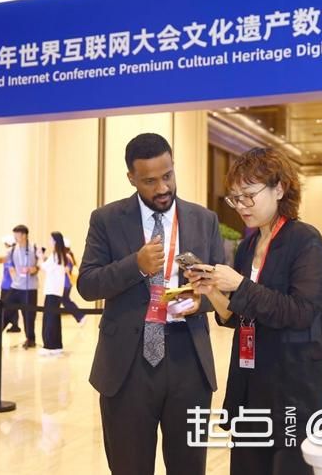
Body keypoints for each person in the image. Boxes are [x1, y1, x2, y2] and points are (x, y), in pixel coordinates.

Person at [78, 133, 225, 475]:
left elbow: (222, 283)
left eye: (168, 175)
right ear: (131, 178)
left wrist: (200, 300)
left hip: (189, 362)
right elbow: (87, 284)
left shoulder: (204, 220)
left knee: (189, 467)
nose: (162, 188)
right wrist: (136, 265)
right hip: (127, 366)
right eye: (150, 181)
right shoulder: (106, 219)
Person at [187, 147, 322, 475]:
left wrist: (240, 285)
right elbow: (238, 317)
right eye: (235, 199)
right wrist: (212, 291)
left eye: (249, 196)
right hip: (250, 382)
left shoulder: (304, 240)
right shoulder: (248, 246)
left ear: (279, 189)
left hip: (292, 387)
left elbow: (301, 312)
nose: (241, 206)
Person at [6, 224, 40, 348]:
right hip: (16, 286)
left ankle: (30, 339)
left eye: (18, 234)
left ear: (24, 235)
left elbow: (41, 263)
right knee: (5, 309)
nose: (15, 237)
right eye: (14, 234)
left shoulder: (34, 248)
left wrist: (33, 269)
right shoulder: (12, 250)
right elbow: (9, 265)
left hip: (30, 287)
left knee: (29, 315)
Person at [40, 232, 69, 356]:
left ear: (55, 241)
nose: (49, 242)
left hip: (52, 291)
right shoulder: (61, 255)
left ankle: (49, 346)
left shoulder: (55, 255)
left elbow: (44, 267)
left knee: (49, 319)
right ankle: (57, 345)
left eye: (51, 240)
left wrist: (40, 256)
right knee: (54, 318)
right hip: (56, 291)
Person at [62, 237, 87, 325]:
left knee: (65, 300)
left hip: (65, 283)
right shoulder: (69, 255)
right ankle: (80, 316)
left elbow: (67, 269)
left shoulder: (66, 256)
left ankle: (80, 316)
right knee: (65, 300)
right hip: (67, 283)